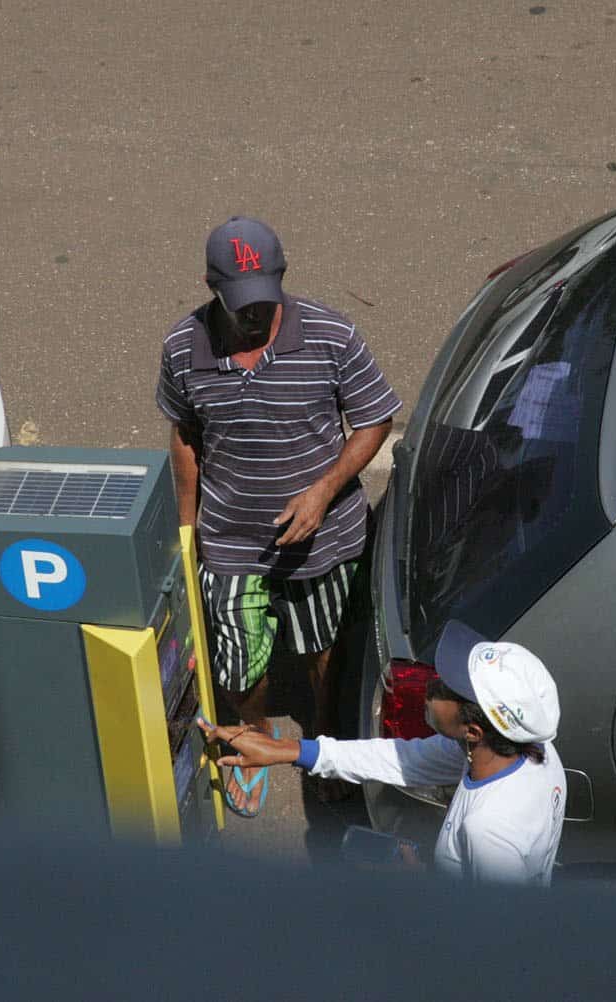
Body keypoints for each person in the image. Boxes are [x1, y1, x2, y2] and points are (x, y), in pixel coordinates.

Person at [156, 216, 400, 817]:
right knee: (236, 663)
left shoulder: (331, 335)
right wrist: (188, 530)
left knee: (325, 653)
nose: (255, 316)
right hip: (231, 539)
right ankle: (254, 733)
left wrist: (324, 491)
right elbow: (185, 435)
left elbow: (374, 419)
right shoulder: (182, 348)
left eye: (264, 300)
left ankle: (324, 739)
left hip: (324, 540)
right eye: (240, 304)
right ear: (211, 287)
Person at [198, 622, 567, 887]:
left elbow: (490, 942)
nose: (432, 684)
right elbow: (395, 758)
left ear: (473, 731)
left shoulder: (488, 832)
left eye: (445, 689)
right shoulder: (533, 753)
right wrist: (285, 750)